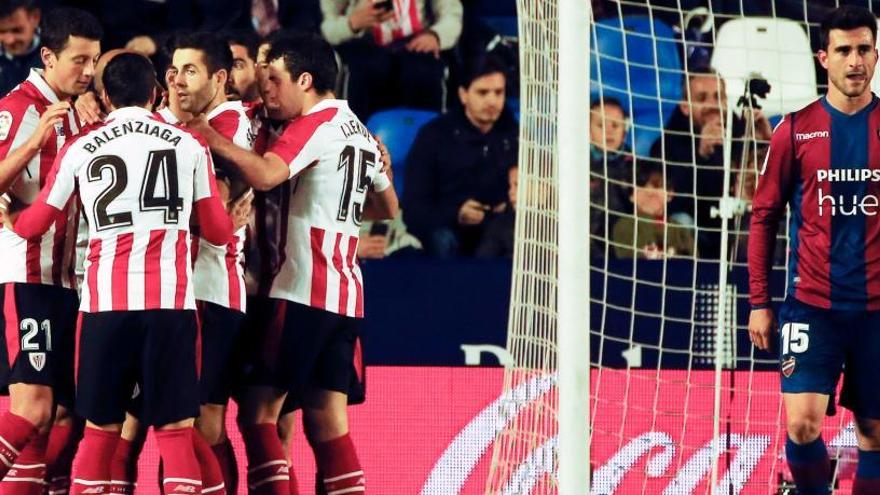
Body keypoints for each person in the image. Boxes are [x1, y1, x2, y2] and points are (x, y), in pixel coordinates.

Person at [11, 52, 233, 495]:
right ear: (155, 94)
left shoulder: (82, 146)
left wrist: (10, 219)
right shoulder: (188, 143)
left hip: (104, 308)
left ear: (107, 96)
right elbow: (218, 233)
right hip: (171, 307)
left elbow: (36, 226)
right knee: (174, 433)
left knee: (100, 432)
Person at [187, 32, 398, 495]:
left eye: (274, 79)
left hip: (297, 289)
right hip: (345, 297)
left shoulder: (315, 125)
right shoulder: (358, 129)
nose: (266, 90)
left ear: (305, 79)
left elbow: (265, 173)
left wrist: (208, 137)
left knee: (258, 415)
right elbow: (387, 208)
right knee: (327, 422)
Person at [748, 6, 880, 494]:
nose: (854, 62)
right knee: (802, 425)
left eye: (863, 49)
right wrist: (760, 302)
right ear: (823, 57)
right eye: (843, 50)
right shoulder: (795, 129)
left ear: (876, 54)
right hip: (811, 307)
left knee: (874, 435)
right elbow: (763, 217)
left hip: (876, 310)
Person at [0, 7, 101, 495]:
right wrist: (35, 139)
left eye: (93, 62)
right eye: (78, 60)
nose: (87, 71)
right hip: (28, 276)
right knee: (34, 408)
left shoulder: (80, 109)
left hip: (71, 282)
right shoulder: (19, 108)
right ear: (47, 56)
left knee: (63, 414)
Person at [651, 65, 773, 258]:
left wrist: (767, 144)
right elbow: (670, 200)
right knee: (681, 222)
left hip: (737, 227)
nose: (712, 105)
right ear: (685, 106)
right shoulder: (666, 144)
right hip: (695, 227)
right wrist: (701, 154)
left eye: (718, 97)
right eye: (701, 98)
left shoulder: (743, 131)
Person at [403, 53, 516, 257]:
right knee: (441, 238)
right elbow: (414, 209)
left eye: (498, 92)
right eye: (483, 93)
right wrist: (456, 214)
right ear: (464, 94)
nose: (492, 101)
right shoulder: (434, 136)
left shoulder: (514, 135)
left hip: (498, 230)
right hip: (448, 229)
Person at [320, 0, 463, 119]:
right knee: (368, 69)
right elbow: (327, 30)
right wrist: (352, 23)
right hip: (363, 47)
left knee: (422, 71)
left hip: (415, 45)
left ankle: (428, 139)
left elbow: (451, 14)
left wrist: (436, 35)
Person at [611, 163, 694, 259]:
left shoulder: (680, 230)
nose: (649, 192)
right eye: (641, 186)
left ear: (670, 194)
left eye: (656, 186)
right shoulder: (623, 225)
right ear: (631, 196)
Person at [590, 96, 634, 255]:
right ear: (588, 131)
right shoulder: (578, 164)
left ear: (625, 131)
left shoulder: (635, 167)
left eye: (615, 125)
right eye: (601, 125)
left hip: (624, 239)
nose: (609, 131)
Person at [0, 0, 42, 96]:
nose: (9, 40)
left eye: (17, 30)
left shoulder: (60, 51)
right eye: (2, 31)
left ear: (35, 17)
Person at [475, 165, 516, 258]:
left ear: (543, 190)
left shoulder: (554, 225)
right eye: (510, 186)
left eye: (517, 185)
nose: (511, 192)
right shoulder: (500, 225)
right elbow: (483, 264)